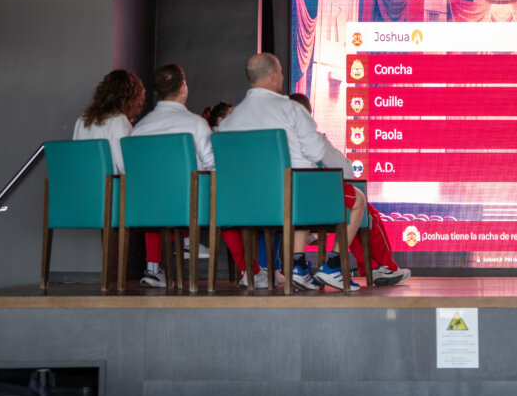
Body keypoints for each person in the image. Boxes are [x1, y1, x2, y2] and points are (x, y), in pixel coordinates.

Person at [219, 53, 408, 291]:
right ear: (273, 75)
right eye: (281, 74)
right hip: (295, 197)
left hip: (249, 205)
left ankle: (298, 266)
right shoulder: (290, 110)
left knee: (303, 195)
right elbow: (318, 151)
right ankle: (333, 266)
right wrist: (345, 173)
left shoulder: (229, 122)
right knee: (355, 200)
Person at [131, 63, 265, 289]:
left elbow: (133, 170)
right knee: (225, 206)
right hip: (192, 205)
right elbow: (213, 164)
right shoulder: (194, 123)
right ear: (183, 87)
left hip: (150, 207)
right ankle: (249, 271)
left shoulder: (139, 129)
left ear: (157, 91)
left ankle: (153, 268)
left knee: (154, 195)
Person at [288, 92, 410, 287]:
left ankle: (373, 267)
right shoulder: (312, 139)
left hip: (288, 204)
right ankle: (383, 266)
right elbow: (345, 170)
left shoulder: (280, 141)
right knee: (364, 212)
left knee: (350, 211)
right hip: (318, 202)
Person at [73, 69, 145, 176]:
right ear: (131, 98)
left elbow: (77, 160)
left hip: (84, 184)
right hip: (109, 188)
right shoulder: (118, 120)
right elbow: (124, 166)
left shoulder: (81, 121)